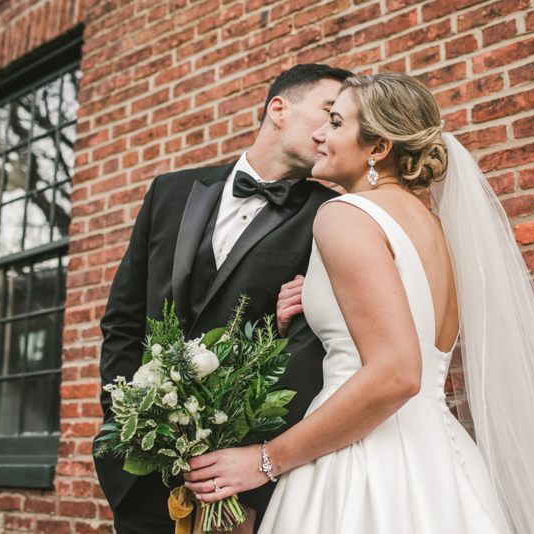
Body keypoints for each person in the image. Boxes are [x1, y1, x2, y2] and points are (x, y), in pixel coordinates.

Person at [183, 72, 534, 534]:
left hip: (362, 465)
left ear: (378, 149)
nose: (319, 133)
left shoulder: (343, 215)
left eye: (335, 123)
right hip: (438, 459)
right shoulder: (433, 228)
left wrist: (264, 460)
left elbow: (396, 373)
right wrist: (311, 301)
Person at [93, 63, 353, 534]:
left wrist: (255, 482)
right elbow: (124, 321)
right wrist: (120, 432)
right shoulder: (169, 192)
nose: (332, 131)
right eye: (329, 113)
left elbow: (309, 352)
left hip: (235, 488)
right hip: (139, 472)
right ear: (279, 109)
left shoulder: (331, 215)